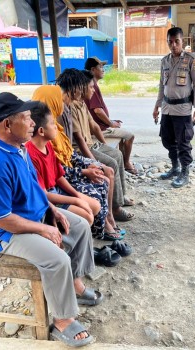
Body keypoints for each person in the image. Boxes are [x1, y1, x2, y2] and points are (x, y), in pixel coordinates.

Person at [0, 92, 103, 347]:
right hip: (5, 233)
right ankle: (63, 321)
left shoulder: (18, 149)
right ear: (7, 125)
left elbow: (35, 187)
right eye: (25, 117)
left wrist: (52, 211)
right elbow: (0, 219)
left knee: (78, 225)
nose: (32, 123)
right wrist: (44, 228)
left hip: (31, 214)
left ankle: (74, 283)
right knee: (57, 259)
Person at [31, 85, 124, 240]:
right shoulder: (38, 144)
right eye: (59, 99)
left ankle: (106, 222)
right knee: (95, 196)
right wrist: (82, 176)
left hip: (61, 184)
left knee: (104, 176)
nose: (63, 103)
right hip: (52, 194)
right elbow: (46, 189)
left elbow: (61, 167)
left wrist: (77, 193)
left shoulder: (50, 133)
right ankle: (96, 232)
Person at [55, 68, 135, 223]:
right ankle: (114, 209)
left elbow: (93, 125)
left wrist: (105, 146)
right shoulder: (67, 107)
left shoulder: (81, 104)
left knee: (117, 155)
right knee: (109, 164)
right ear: (78, 87)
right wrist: (94, 162)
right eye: (90, 87)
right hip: (80, 150)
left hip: (90, 145)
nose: (92, 90)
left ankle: (120, 197)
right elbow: (79, 139)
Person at [26, 102, 101, 226]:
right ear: (41, 131)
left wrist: (77, 195)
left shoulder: (47, 145)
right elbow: (44, 194)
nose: (56, 127)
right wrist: (75, 200)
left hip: (56, 191)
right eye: (52, 124)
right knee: (87, 217)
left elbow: (59, 176)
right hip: (46, 199)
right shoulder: (31, 154)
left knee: (95, 206)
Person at [153, 26, 195, 188]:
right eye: (170, 42)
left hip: (183, 109)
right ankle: (175, 167)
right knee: (167, 139)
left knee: (183, 142)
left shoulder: (191, 59)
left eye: (177, 41)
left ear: (183, 41)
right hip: (167, 108)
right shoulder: (164, 61)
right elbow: (162, 86)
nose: (173, 45)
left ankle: (185, 172)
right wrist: (157, 106)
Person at [84, 57, 137, 175]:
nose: (103, 70)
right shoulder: (92, 87)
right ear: (93, 70)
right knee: (129, 136)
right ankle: (126, 163)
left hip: (101, 127)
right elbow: (97, 110)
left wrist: (111, 121)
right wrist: (110, 123)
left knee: (120, 130)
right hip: (100, 129)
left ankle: (124, 162)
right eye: (100, 67)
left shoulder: (91, 85)